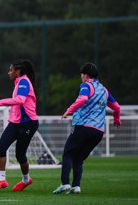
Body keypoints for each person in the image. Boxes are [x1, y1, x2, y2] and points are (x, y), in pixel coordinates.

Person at [52, 62, 121, 195]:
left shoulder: (86, 85)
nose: (81, 77)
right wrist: (116, 119)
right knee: (78, 158)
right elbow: (116, 107)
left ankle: (65, 183)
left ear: (86, 75)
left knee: (67, 153)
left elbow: (82, 99)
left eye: (82, 74)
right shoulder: (104, 90)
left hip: (84, 127)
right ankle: (76, 186)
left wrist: (69, 110)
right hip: (98, 131)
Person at [0, 60, 39, 192]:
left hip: (28, 123)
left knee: (20, 155)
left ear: (18, 72)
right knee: (1, 148)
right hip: (15, 122)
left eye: (11, 70)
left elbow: (20, 100)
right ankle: (2, 180)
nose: (8, 72)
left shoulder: (24, 81)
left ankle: (26, 180)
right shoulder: (18, 82)